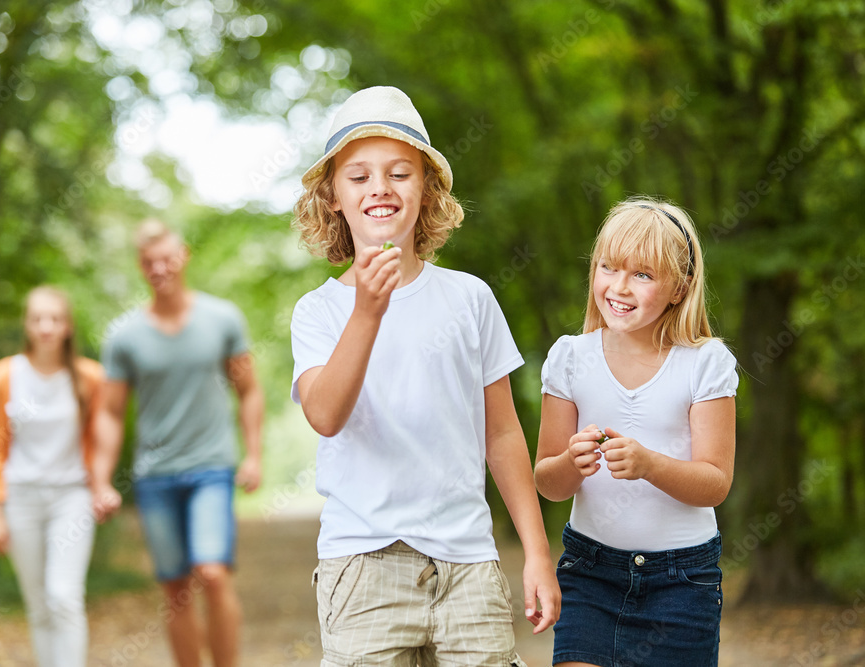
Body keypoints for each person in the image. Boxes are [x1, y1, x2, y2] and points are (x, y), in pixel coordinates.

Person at [289, 85, 559, 666]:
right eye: (358, 176)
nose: (379, 188)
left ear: (427, 188)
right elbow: (325, 415)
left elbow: (503, 433)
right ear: (333, 196)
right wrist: (367, 311)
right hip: (362, 568)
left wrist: (536, 551)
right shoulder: (319, 312)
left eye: (399, 173)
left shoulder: (470, 298)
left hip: (468, 566)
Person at [534, 198, 739, 667]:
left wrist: (650, 464)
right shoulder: (569, 357)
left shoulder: (704, 363)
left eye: (642, 275)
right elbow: (548, 482)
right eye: (608, 267)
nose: (618, 287)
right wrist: (571, 462)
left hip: (682, 583)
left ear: (679, 288)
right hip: (590, 574)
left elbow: (716, 483)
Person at [91, 219, 263, 667]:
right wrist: (100, 480)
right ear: (140, 267)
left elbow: (250, 390)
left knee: (212, 573)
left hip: (211, 467)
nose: (160, 268)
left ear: (183, 255)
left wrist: (254, 455)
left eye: (167, 258)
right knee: (176, 589)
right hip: (155, 475)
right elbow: (109, 413)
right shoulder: (123, 336)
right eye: (150, 262)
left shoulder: (222, 319)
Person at [0, 286, 105, 667]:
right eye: (37, 319)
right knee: (38, 606)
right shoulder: (5, 374)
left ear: (67, 326)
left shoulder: (90, 377)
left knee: (63, 596)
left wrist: (100, 486)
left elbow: (100, 441)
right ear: (27, 325)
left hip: (72, 497)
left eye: (54, 318)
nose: (46, 326)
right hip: (21, 499)